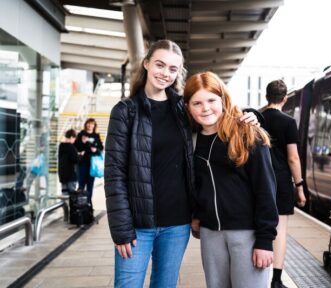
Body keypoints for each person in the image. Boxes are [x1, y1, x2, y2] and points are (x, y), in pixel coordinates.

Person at [104, 40, 258, 288]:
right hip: (136, 225)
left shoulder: (181, 109)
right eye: (160, 65)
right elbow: (114, 174)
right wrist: (121, 228)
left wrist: (252, 116)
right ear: (146, 64)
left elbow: (215, 117)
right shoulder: (125, 111)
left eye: (173, 69)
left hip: (177, 223)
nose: (165, 73)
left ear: (178, 73)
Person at [184, 71, 279, 288]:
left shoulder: (246, 133)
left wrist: (265, 240)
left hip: (247, 233)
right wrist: (197, 215)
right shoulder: (190, 140)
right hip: (210, 234)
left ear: (223, 100)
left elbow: (265, 188)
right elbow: (198, 184)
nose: (205, 108)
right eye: (197, 102)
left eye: (211, 100)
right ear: (188, 107)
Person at [261, 79, 306, 288]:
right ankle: (276, 280)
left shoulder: (256, 118)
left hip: (257, 180)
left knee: (258, 228)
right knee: (279, 230)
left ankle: (258, 275)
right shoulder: (288, 122)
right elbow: (293, 158)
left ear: (266, 96)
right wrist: (300, 186)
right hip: (280, 181)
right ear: (285, 99)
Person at [74, 118, 103, 205]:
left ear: (94, 126)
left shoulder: (96, 136)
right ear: (86, 124)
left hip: (92, 165)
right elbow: (76, 147)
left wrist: (95, 150)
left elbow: (101, 148)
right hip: (82, 163)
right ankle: (80, 206)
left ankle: (88, 206)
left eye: (92, 124)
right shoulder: (81, 134)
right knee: (81, 185)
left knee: (90, 186)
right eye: (88, 124)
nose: (90, 126)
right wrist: (82, 142)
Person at [58, 129, 79, 195]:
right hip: (71, 175)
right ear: (71, 137)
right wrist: (80, 155)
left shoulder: (61, 146)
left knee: (64, 195)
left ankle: (65, 205)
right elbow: (75, 160)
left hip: (62, 175)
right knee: (72, 196)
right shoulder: (72, 147)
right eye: (74, 139)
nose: (74, 141)